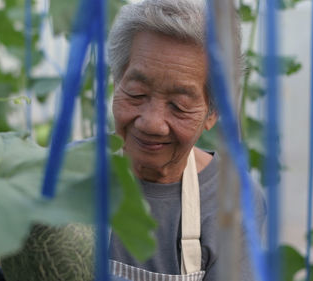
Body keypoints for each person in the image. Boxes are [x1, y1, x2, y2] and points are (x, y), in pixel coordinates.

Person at [107, 0, 265, 281]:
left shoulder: (231, 199)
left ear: (213, 112)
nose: (151, 123)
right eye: (136, 93)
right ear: (116, 82)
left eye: (179, 105)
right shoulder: (70, 171)